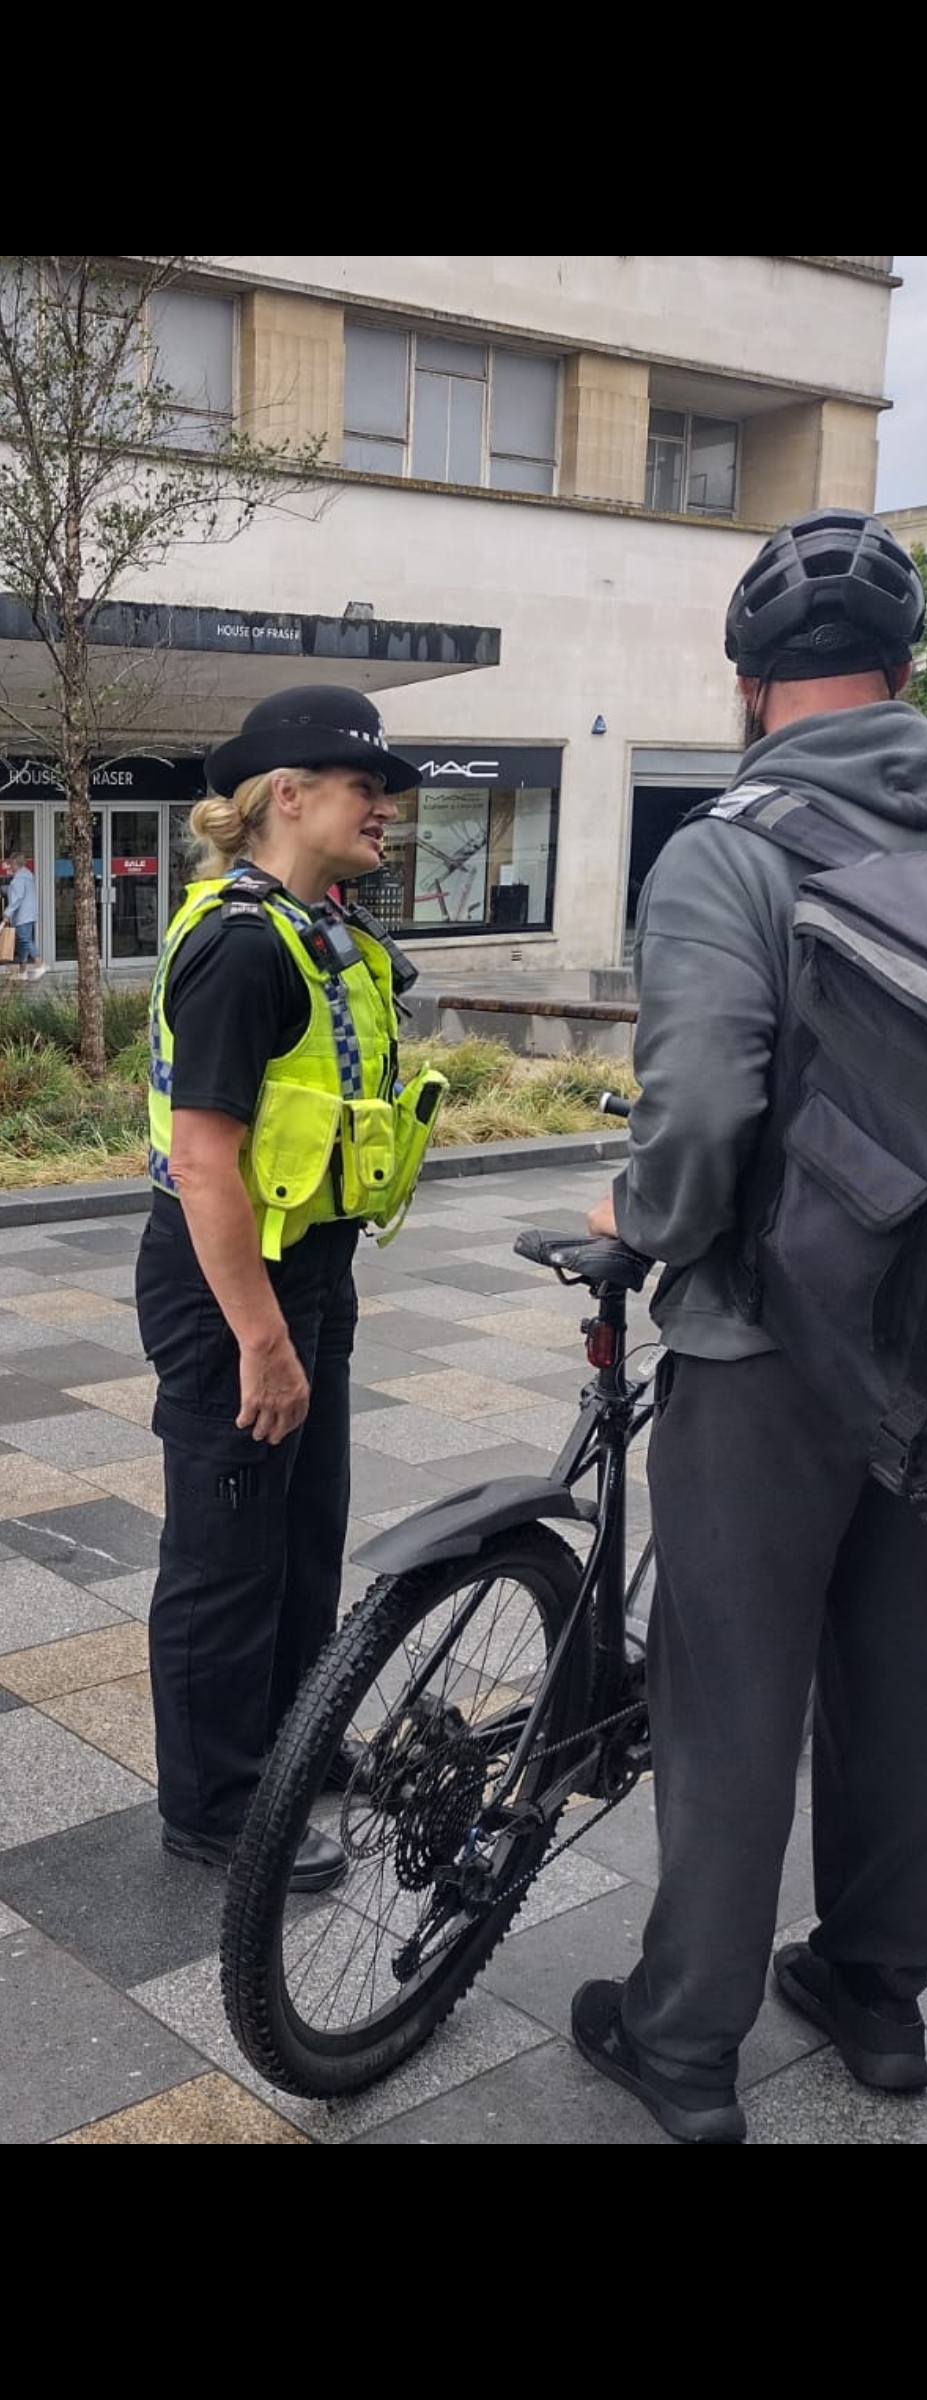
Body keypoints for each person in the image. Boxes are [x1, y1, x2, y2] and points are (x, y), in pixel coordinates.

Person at [573, 508, 927, 2144]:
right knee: (910, 1672)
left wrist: (654, 1229)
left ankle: (686, 2041)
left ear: (751, 687)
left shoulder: (731, 847)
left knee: (734, 1690)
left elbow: (700, 1104)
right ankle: (877, 1993)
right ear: (908, 672)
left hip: (768, 1351)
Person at [134, 685, 421, 1893]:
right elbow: (202, 1161)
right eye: (367, 790)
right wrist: (261, 1341)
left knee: (305, 1536)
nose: (387, 815)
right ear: (287, 798)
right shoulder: (244, 945)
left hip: (310, 1267)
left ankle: (289, 1747)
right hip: (228, 1289)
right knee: (227, 1553)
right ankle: (213, 1805)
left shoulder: (323, 932)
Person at [5, 855, 46, 979]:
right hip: (28, 914)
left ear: (16, 864)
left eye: (10, 864)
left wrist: (7, 913)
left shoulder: (19, 879)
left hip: (23, 915)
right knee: (22, 943)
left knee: (25, 940)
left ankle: (40, 964)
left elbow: (17, 898)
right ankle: (22, 972)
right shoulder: (27, 876)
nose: (9, 866)